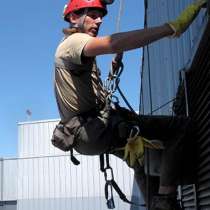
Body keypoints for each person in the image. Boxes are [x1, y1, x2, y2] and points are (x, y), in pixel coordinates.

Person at [53, 0, 206, 209]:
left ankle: (154, 203)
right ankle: (166, 201)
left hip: (87, 135)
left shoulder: (80, 53)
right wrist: (170, 28)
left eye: (101, 16)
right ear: (73, 17)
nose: (99, 21)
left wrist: (113, 69)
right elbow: (113, 43)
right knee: (179, 127)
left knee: (139, 161)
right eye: (93, 15)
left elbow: (95, 94)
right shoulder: (74, 42)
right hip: (94, 129)